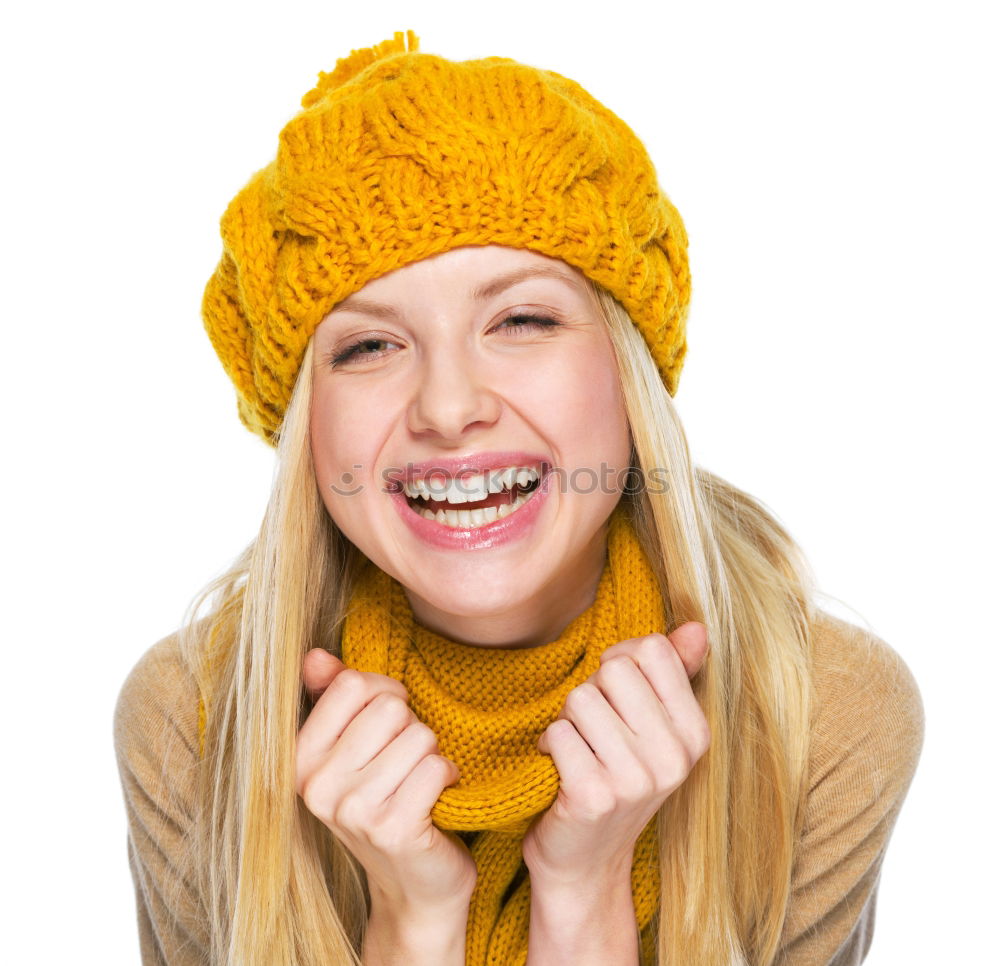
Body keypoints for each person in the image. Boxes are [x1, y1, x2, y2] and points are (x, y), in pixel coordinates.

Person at [113, 30, 924, 966]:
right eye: (369, 346)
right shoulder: (195, 720)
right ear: (304, 428)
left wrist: (584, 899)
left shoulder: (820, 714)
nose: (450, 409)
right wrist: (410, 926)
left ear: (629, 373)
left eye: (523, 319)